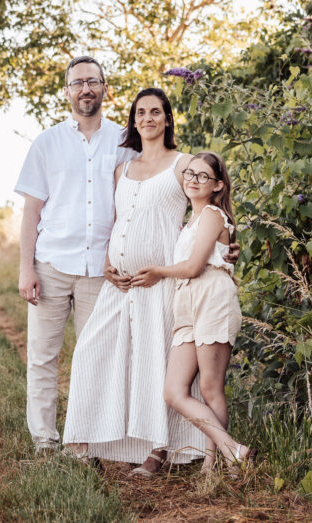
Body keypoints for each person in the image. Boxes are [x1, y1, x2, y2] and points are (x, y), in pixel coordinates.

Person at [62, 87, 209, 475]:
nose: (148, 118)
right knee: (91, 352)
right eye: (141, 112)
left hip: (158, 283)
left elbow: (210, 208)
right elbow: (118, 221)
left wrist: (226, 244)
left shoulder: (184, 164)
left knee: (151, 362)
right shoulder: (121, 170)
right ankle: (88, 438)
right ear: (133, 121)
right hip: (120, 283)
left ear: (167, 119)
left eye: (156, 112)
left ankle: (157, 451)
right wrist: (109, 262)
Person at [14, 55, 138, 453]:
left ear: (105, 88)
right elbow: (31, 212)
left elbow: (133, 205)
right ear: (67, 92)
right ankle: (44, 439)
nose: (86, 89)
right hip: (50, 265)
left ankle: (83, 440)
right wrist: (26, 269)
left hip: (100, 270)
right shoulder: (47, 143)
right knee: (42, 358)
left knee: (94, 358)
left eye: (93, 81)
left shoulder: (124, 142)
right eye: (77, 83)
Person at [131, 151, 254, 474]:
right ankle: (232, 450)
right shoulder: (190, 222)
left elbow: (195, 266)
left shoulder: (213, 214)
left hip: (212, 299)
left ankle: (214, 464)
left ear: (217, 185)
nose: (193, 180)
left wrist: (157, 271)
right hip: (186, 304)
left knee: (210, 387)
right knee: (174, 391)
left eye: (202, 176)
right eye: (189, 173)